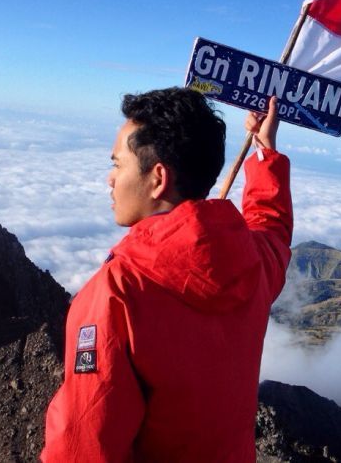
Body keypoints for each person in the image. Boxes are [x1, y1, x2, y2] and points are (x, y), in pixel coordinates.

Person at [41, 87, 292, 462]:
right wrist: (265, 153)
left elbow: (85, 445)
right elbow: (271, 227)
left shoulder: (117, 294)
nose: (110, 180)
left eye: (117, 164)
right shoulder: (252, 263)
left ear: (158, 178)